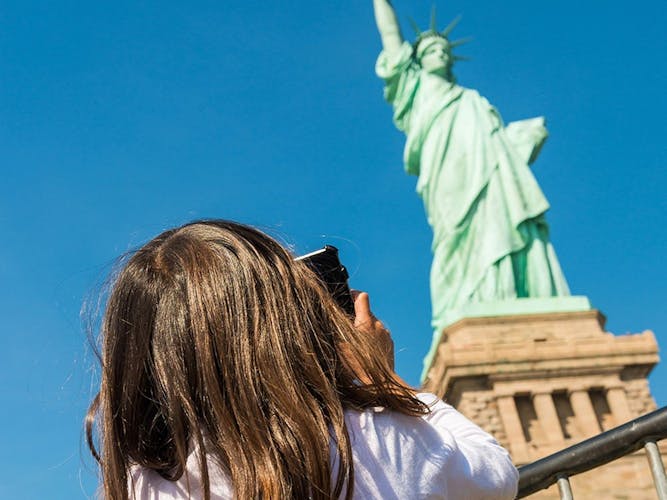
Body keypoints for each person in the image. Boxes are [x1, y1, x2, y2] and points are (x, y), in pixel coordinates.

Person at [86, 220, 518, 499]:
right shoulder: (376, 435)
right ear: (283, 323)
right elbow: (497, 476)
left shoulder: (145, 485)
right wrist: (380, 379)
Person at [372, 0, 571, 336]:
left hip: (492, 172)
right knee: (455, 236)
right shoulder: (414, 91)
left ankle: (510, 293)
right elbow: (391, 35)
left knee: (499, 218)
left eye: (443, 48)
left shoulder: (472, 99)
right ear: (417, 60)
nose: (439, 53)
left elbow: (500, 145)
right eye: (430, 49)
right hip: (446, 174)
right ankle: (466, 298)